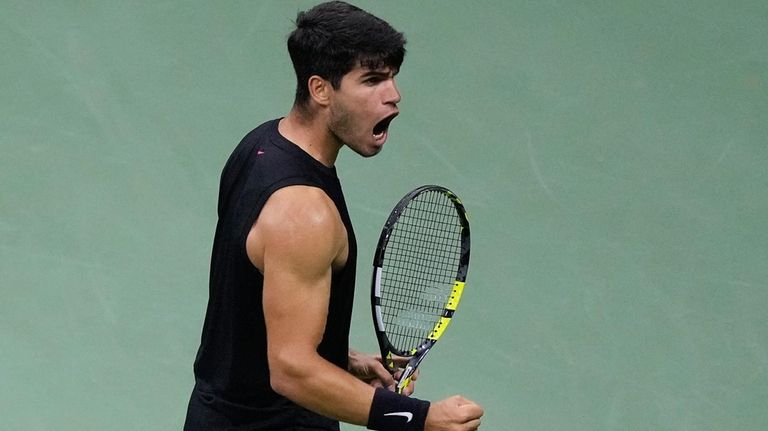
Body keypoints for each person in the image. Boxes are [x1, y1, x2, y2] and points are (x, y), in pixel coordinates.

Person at [184, 2, 484, 430]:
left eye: (393, 77)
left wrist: (340, 359)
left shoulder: (259, 147)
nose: (393, 94)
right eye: (372, 80)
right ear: (321, 90)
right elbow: (292, 370)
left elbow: (252, 314)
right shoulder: (305, 213)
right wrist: (420, 419)